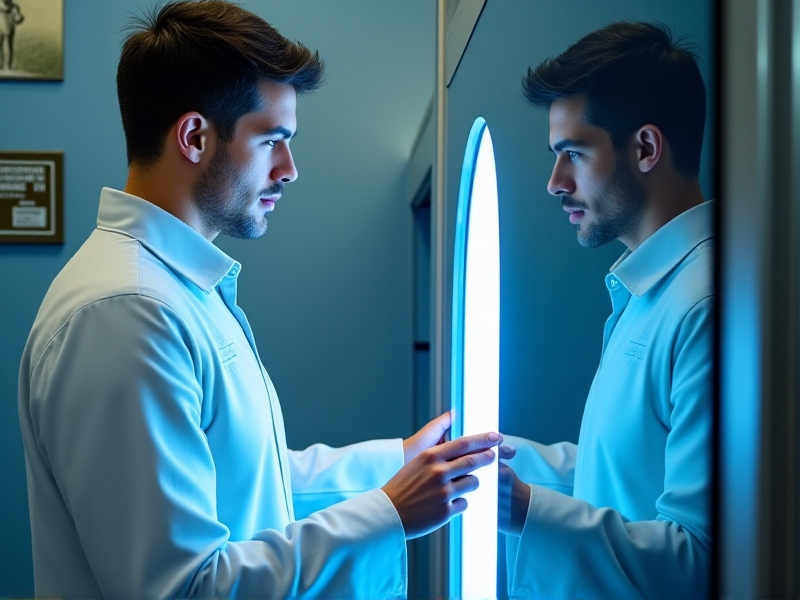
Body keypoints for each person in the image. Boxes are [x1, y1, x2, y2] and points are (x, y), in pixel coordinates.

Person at [17, 2, 500, 597]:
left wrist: (394, 464)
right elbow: (182, 588)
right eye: (273, 140)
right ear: (194, 136)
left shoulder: (175, 291)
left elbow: (247, 480)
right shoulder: (128, 312)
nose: (290, 169)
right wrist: (387, 513)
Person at [498, 21, 713, 598]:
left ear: (645, 147)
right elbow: (620, 472)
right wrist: (507, 463)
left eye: (573, 153)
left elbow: (700, 558)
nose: (554, 182)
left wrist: (526, 509)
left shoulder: (708, 307)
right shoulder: (648, 294)